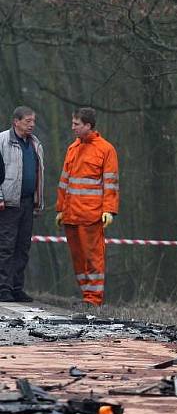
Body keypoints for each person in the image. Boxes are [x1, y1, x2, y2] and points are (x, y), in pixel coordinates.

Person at [55, 107, 119, 306]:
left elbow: (111, 182)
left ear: (88, 126)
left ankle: (93, 299)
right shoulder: (73, 148)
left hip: (91, 215)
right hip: (71, 215)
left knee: (93, 258)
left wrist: (109, 210)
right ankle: (86, 296)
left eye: (76, 124)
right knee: (78, 259)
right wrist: (60, 209)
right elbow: (64, 182)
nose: (72, 127)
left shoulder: (106, 149)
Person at [0, 106, 45, 302]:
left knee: (23, 247)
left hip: (28, 202)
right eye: (28, 121)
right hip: (8, 203)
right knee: (6, 246)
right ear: (16, 121)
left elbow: (39, 174)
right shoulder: (2, 140)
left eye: (33, 121)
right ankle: (3, 288)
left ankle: (17, 287)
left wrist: (38, 201)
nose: (32, 125)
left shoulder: (35, 144)